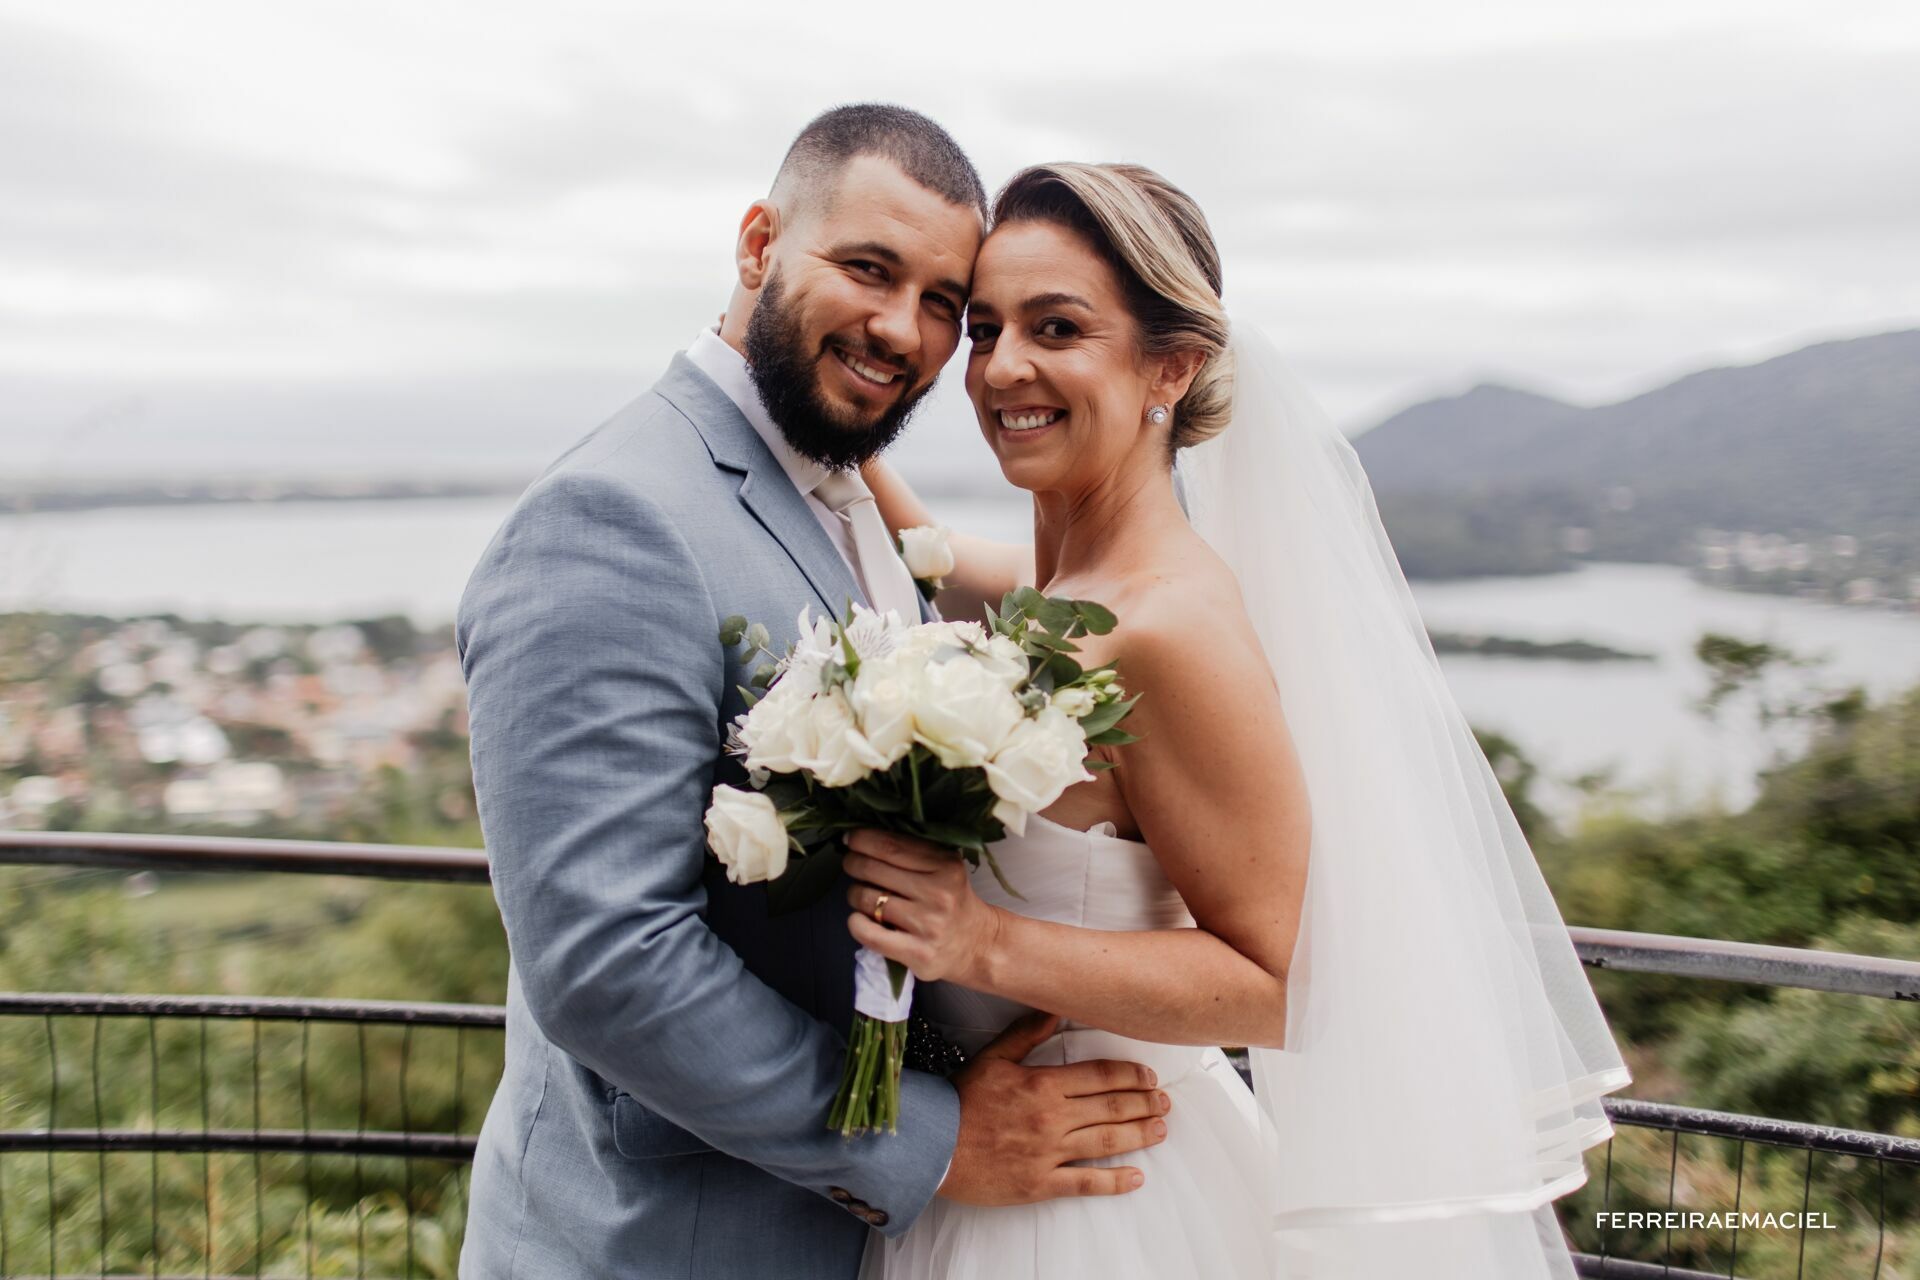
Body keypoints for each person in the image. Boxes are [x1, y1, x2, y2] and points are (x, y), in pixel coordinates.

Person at [848, 161, 1633, 1279]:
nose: (1001, 367)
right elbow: (939, 565)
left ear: (1172, 364)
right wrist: (834, 413)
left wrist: (983, 940)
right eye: (983, 328)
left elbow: (1286, 982)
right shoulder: (1070, 584)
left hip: (1100, 1194)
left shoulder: (1172, 626)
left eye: (1057, 327)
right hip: (996, 1154)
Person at [454, 109, 1170, 1280]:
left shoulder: (833, 481)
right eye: (869, 269)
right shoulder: (614, 516)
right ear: (757, 244)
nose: (905, 330)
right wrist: (929, 1141)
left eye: (946, 302)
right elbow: (607, 957)